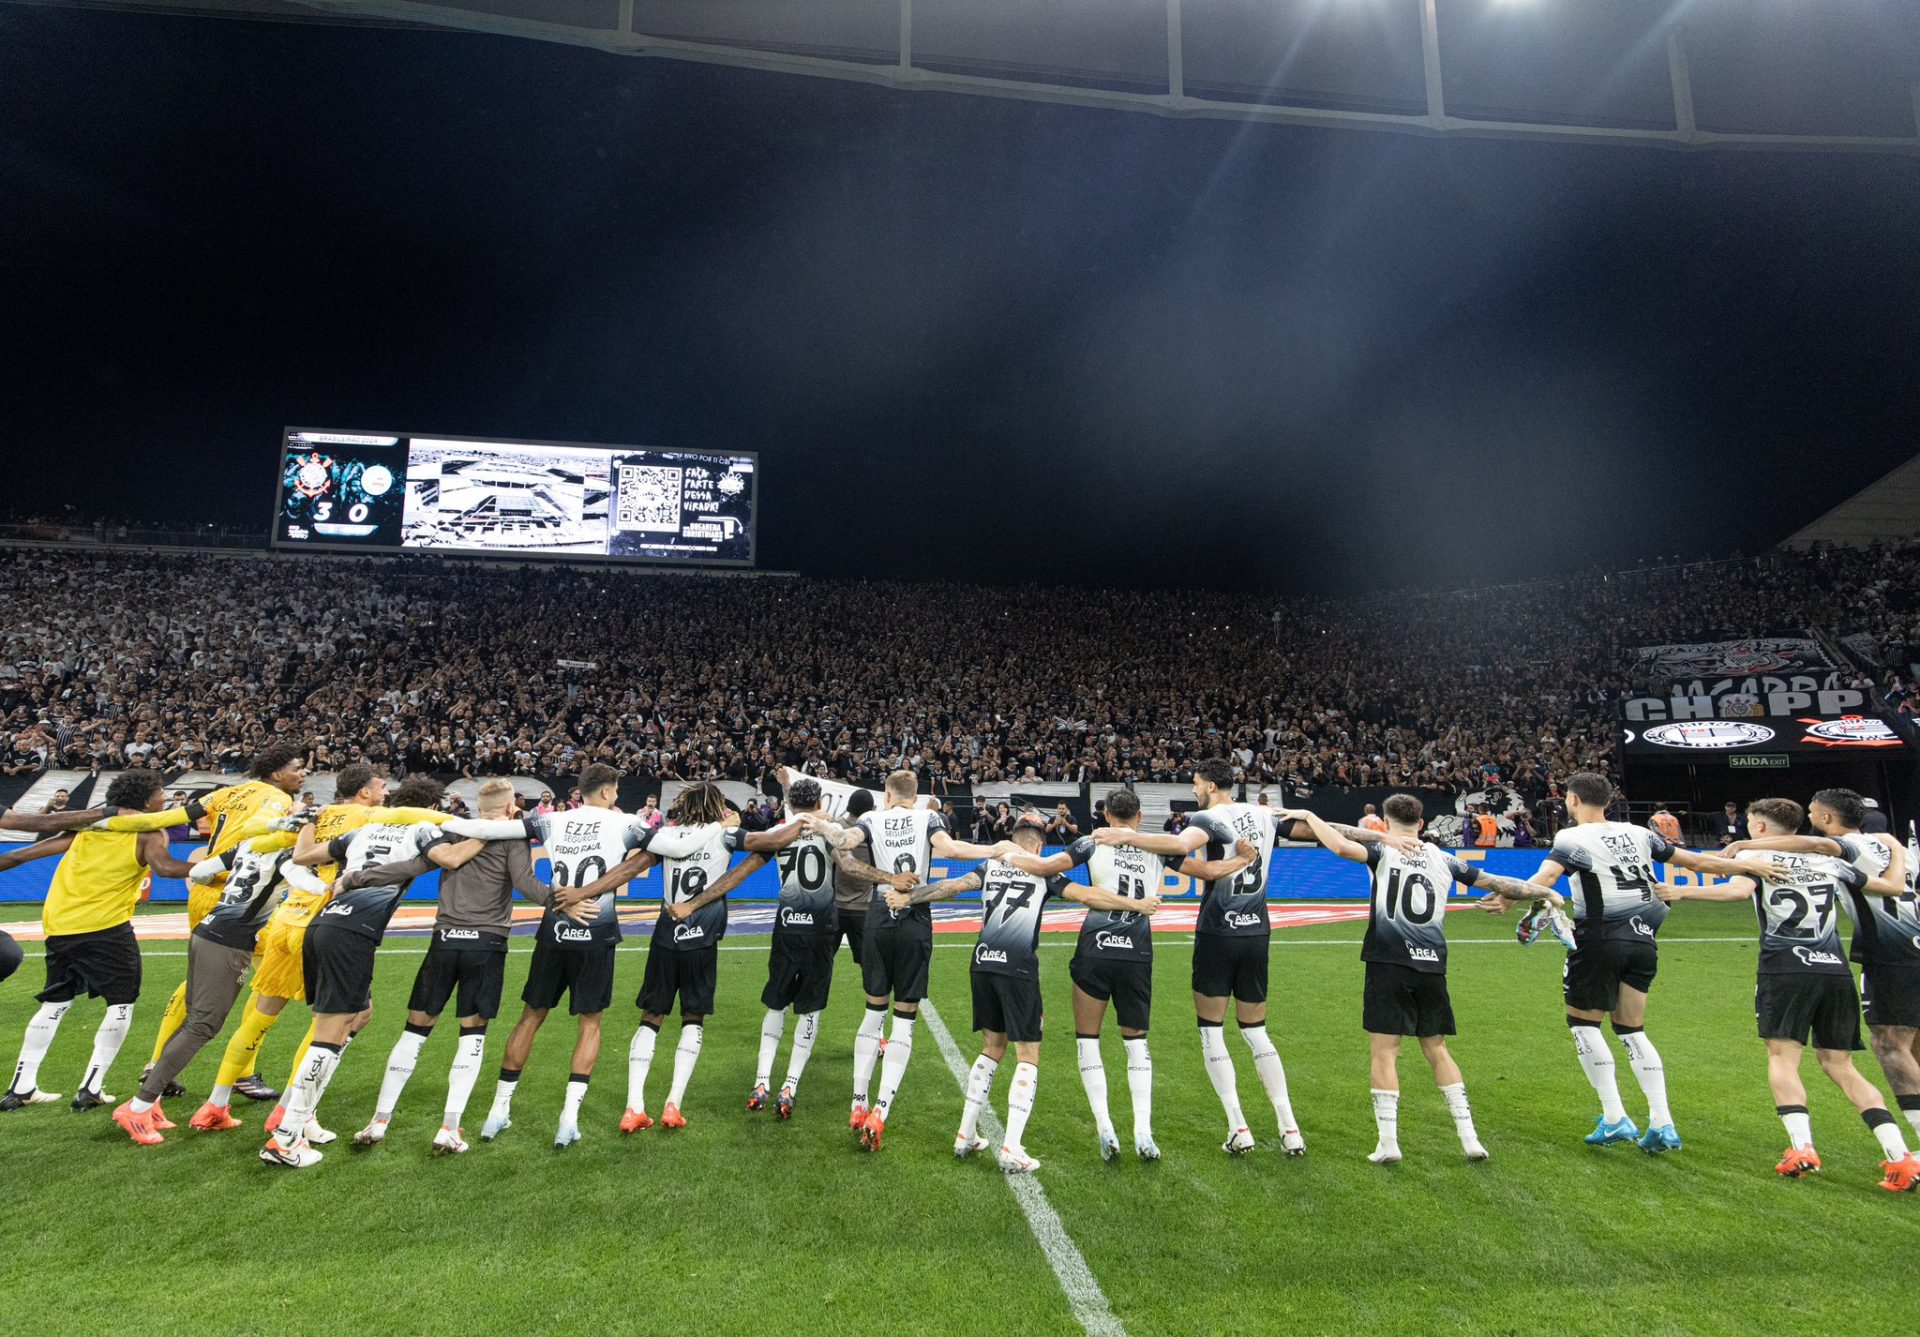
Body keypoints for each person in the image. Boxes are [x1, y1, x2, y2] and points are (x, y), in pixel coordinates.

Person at [1097, 757, 1408, 1156]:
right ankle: (1289, 1127)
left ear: (1210, 786)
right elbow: (1323, 830)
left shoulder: (1209, 819)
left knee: (1211, 1031)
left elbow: (1177, 846)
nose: (1193, 790)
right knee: (1256, 1030)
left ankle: (1238, 1127)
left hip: (1217, 932)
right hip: (1257, 932)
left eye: (1195, 784)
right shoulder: (1264, 815)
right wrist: (1382, 838)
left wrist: (1125, 836)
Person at [347, 778, 623, 1154]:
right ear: (512, 809)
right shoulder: (511, 838)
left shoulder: (453, 833)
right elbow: (526, 883)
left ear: (480, 808)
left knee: (414, 1032)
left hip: (443, 941)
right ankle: (449, 1128)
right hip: (486, 944)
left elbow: (409, 866)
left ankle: (379, 1121)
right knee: (471, 1037)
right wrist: (564, 901)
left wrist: (355, 878)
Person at [1664, 801, 1920, 1191]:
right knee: (1842, 1066)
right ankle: (1899, 1157)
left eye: (1750, 823)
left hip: (1785, 967)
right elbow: (1891, 887)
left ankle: (1802, 1148)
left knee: (1783, 1056)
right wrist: (1897, 850)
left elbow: (1727, 884)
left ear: (1761, 827)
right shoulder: (1829, 863)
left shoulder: (1757, 855)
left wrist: (1680, 890)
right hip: (1835, 972)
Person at [1284, 798, 1551, 1164]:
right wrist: (1548, 892)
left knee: (1385, 1051)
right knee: (1437, 1049)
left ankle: (1389, 1143)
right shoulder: (1444, 858)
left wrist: (1311, 815)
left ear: (1386, 822)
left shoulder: (1380, 849)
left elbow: (1341, 844)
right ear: (1422, 823)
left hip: (1388, 959)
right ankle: (1470, 1138)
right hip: (1431, 964)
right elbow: (1500, 883)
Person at [997, 787, 1253, 1160]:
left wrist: (1002, 855)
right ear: (1138, 818)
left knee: (1088, 1040)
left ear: (1105, 816)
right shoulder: (1158, 847)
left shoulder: (1091, 842)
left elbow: (1047, 868)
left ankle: (1105, 1127)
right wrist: (1243, 859)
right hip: (1136, 953)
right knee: (1136, 1043)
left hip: (1095, 948)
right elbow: (1209, 870)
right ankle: (1143, 1131)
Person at [895, 811, 1157, 1172]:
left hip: (982, 960)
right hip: (1017, 967)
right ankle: (1012, 1147)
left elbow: (951, 888)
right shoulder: (1044, 870)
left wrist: (909, 899)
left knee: (992, 1048)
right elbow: (1089, 896)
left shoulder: (991, 865)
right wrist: (1136, 905)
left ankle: (965, 1134)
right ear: (1036, 845)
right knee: (1028, 1053)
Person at [1483, 771, 1703, 1154]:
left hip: (1598, 939)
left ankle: (1615, 1117)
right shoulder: (1638, 833)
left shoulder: (1572, 837)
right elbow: (1698, 864)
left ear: (1571, 799)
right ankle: (1662, 1123)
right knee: (1633, 1031)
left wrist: (1511, 896)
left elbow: (1548, 876)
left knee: (1584, 1025)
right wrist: (1743, 863)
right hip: (1644, 940)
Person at [263, 778, 472, 1168]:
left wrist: (309, 818)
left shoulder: (366, 829)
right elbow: (451, 859)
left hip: (324, 924)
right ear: (431, 804)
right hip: (352, 933)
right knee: (329, 1033)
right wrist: (491, 830)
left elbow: (303, 855)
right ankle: (285, 1136)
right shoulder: (425, 829)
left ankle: (300, 1115)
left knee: (360, 1015)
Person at [803, 769, 1012, 1151]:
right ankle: (880, 1111)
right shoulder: (928, 817)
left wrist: (818, 823)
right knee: (904, 1017)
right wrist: (993, 849)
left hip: (879, 914)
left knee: (872, 1011)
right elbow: (949, 849)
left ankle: (857, 1102)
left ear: (886, 793)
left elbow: (844, 843)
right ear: (914, 795)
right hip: (915, 915)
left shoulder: (870, 818)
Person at [443, 764, 649, 1149]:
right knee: (590, 1023)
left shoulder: (551, 821)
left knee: (530, 1016)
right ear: (607, 793)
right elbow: (658, 850)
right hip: (596, 932)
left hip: (553, 930)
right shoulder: (628, 824)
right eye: (616, 790)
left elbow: (488, 829)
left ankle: (497, 1112)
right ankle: (568, 1120)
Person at [1725, 788, 1920, 1140]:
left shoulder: (1846, 848)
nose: (1811, 820)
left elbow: (1819, 847)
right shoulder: (1899, 850)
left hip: (1894, 955)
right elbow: (1894, 885)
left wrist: (1745, 847)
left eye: (1813, 814)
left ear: (1827, 818)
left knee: (1891, 1045)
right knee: (1914, 1044)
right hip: (1911, 947)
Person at [110, 831, 328, 1144]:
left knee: (193, 1021)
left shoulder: (248, 847)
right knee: (202, 1026)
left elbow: (199, 871)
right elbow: (302, 879)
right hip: (229, 943)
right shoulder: (287, 857)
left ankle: (152, 1101)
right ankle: (138, 1107)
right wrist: (331, 886)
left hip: (207, 930)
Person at [0, 770, 198, 1113]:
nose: (164, 799)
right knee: (121, 1004)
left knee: (54, 1003)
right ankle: (90, 1088)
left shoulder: (86, 828)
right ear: (145, 800)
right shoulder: (149, 832)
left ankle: (21, 1088)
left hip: (61, 926)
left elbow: (17, 857)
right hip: (107, 927)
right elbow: (165, 869)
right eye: (160, 793)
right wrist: (214, 866)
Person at [622, 782, 804, 1134]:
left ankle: (634, 1106)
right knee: (693, 1018)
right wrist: (803, 820)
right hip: (701, 939)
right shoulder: (726, 835)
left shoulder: (669, 835)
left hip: (665, 935)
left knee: (651, 1016)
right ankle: (673, 1104)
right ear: (716, 806)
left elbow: (634, 865)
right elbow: (771, 842)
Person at [141, 740, 309, 1103]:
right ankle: (242, 1072)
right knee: (269, 981)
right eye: (298, 767)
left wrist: (123, 820)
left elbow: (175, 817)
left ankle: (157, 1063)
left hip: (205, 893)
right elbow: (258, 832)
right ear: (277, 773)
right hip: (240, 897)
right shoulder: (276, 800)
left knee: (197, 980)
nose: (303, 774)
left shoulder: (228, 791)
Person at [748, 778, 839, 1119]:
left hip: (787, 925)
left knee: (776, 1002)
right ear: (818, 802)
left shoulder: (779, 832)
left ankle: (761, 1082)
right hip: (821, 928)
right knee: (810, 1008)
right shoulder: (829, 829)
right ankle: (790, 1086)